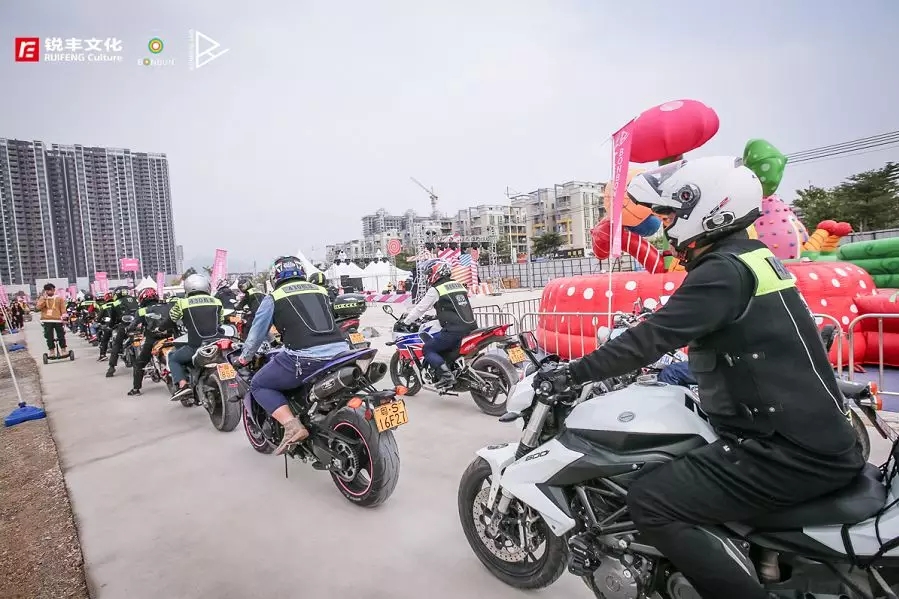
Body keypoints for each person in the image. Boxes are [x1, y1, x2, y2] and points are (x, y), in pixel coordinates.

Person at [537, 157, 864, 599]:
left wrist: (573, 372)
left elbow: (650, 339)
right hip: (811, 433)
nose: (667, 226)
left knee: (652, 500)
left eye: (672, 215)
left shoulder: (722, 272)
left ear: (710, 210)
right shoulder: (754, 259)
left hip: (786, 452)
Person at [236, 256, 348, 455]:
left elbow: (256, 335)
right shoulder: (321, 290)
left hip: (305, 358)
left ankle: (291, 425)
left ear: (275, 276)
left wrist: (244, 358)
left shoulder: (274, 297)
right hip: (342, 352)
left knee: (259, 384)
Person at [401, 259, 476, 388]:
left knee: (428, 348)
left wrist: (406, 321)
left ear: (437, 271)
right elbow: (454, 307)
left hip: (454, 331)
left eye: (430, 272)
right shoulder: (458, 284)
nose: (428, 276)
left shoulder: (437, 289)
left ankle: (446, 376)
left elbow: (420, 308)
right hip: (471, 327)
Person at [167, 274, 224, 401]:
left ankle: (183, 385)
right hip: (217, 343)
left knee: (173, 358)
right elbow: (221, 321)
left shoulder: (182, 303)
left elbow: (171, 319)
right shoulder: (217, 301)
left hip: (196, 346)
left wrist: (160, 328)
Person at [125, 288, 177, 396]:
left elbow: (134, 324)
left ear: (142, 299)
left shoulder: (142, 311)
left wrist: (128, 329)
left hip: (154, 339)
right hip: (173, 337)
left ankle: (136, 389)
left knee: (139, 363)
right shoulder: (168, 306)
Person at [105, 287, 139, 377]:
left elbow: (113, 318)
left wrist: (110, 326)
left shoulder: (116, 303)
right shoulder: (134, 299)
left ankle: (111, 367)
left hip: (124, 326)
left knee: (116, 344)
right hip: (137, 324)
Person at [36, 283, 68, 357]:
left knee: (61, 335)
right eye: (47, 290)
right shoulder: (42, 299)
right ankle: (51, 351)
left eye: (50, 290)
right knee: (49, 337)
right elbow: (38, 308)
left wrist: (65, 319)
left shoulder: (59, 299)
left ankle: (63, 349)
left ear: (53, 290)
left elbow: (63, 309)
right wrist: (44, 299)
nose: (48, 292)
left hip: (58, 320)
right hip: (47, 320)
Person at [235, 276, 264, 341]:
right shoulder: (258, 290)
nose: (241, 289)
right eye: (240, 287)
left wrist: (236, 307)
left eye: (242, 287)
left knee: (247, 326)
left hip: (256, 313)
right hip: (264, 311)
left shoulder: (249, 293)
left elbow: (241, 304)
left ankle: (246, 340)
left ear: (247, 285)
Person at [96, 291, 116, 360]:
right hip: (117, 324)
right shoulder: (117, 304)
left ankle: (103, 355)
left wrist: (98, 320)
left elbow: (99, 317)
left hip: (108, 325)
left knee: (104, 340)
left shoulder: (104, 306)